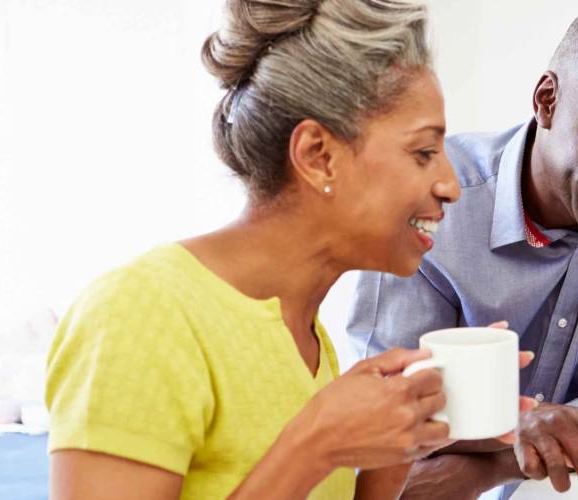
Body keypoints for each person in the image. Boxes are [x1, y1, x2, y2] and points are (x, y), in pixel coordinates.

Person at [45, 1, 530, 498]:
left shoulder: (309, 344)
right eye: (424, 152)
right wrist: (316, 444)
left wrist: (400, 449)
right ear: (318, 156)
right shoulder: (137, 315)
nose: (451, 185)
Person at [346, 1, 578, 499]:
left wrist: (503, 460)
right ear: (548, 101)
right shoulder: (431, 200)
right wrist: (521, 430)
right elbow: (386, 411)